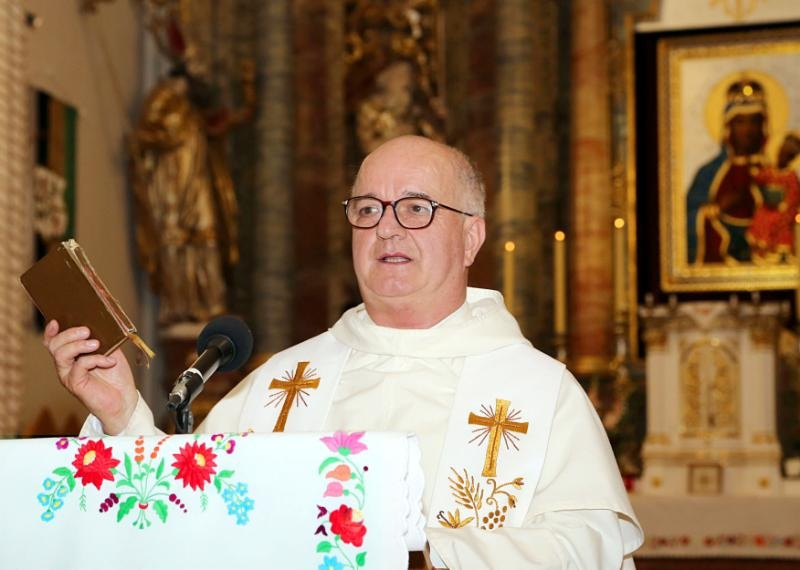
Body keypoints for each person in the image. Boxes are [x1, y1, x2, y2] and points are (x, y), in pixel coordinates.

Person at [45, 135, 643, 568]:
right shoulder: (286, 379)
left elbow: (591, 547)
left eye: (417, 208)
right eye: (368, 208)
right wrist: (123, 414)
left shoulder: (540, 391)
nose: (387, 227)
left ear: (471, 237)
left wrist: (418, 555)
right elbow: (192, 514)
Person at [686, 78, 767, 265]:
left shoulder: (776, 174)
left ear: (763, 127)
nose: (748, 130)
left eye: (754, 121)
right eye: (740, 122)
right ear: (728, 127)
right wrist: (713, 209)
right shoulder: (709, 173)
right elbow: (683, 218)